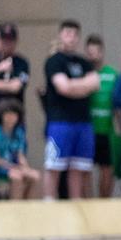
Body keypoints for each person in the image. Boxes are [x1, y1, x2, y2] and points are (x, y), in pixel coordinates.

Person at [42, 20, 100, 200]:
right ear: (60, 35)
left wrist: (73, 86)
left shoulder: (84, 62)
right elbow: (63, 87)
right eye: (67, 33)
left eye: (75, 34)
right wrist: (82, 86)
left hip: (83, 122)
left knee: (79, 168)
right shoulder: (54, 61)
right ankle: (49, 203)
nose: (71, 37)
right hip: (60, 122)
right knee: (54, 167)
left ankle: (76, 205)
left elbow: (95, 83)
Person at [0, 97, 40, 200]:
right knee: (17, 177)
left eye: (14, 115)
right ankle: (15, 207)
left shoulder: (19, 132)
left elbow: (20, 156)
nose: (11, 118)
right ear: (2, 115)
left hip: (14, 167)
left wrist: (25, 168)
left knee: (34, 176)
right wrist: (14, 168)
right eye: (8, 114)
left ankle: (28, 208)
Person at [85, 34, 119, 198]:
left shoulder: (112, 74)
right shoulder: (83, 73)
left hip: (106, 130)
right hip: (87, 129)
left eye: (96, 51)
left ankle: (104, 203)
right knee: (85, 169)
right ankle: (88, 206)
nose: (93, 55)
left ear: (102, 52)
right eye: (90, 52)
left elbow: (118, 104)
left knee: (107, 169)